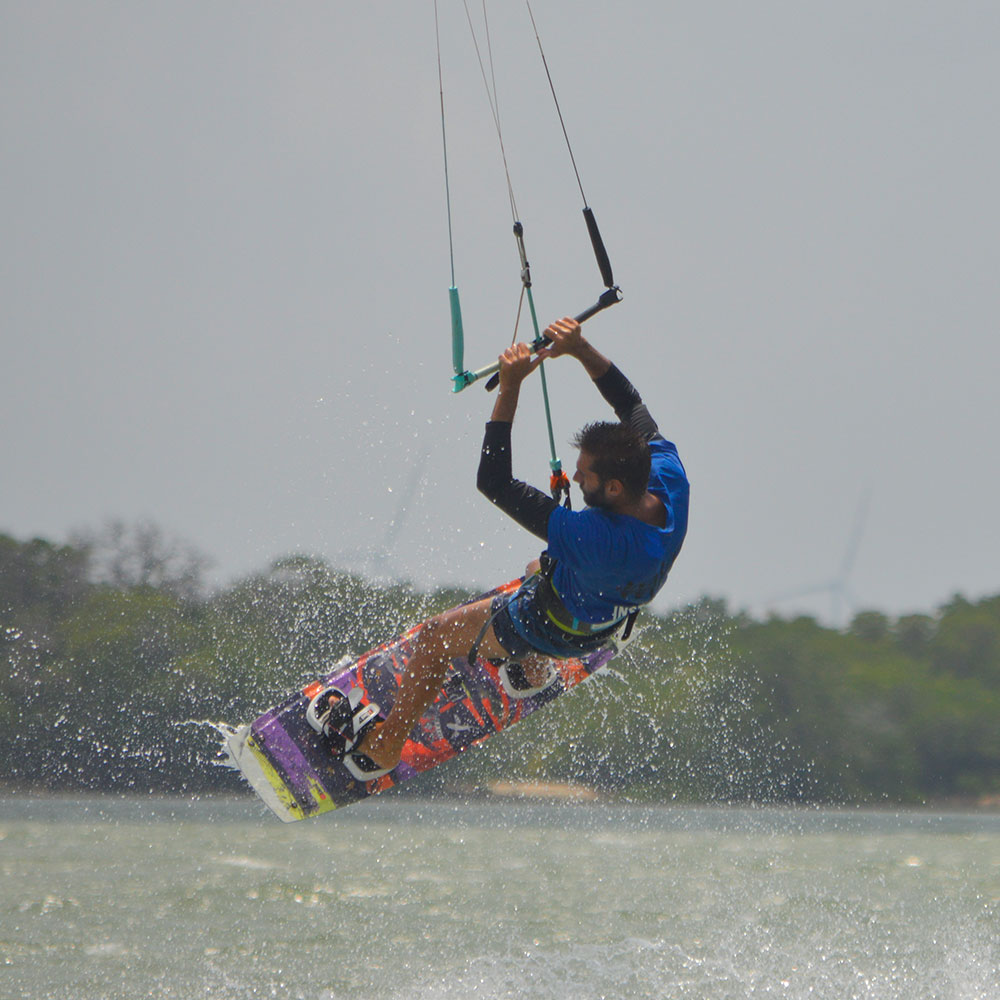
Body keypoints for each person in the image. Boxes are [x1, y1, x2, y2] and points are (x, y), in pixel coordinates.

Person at [316, 316, 689, 779]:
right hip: (611, 619)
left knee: (433, 639)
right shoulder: (669, 478)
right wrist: (579, 347)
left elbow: (493, 482)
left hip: (550, 624)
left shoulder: (594, 537)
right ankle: (533, 674)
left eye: (585, 476)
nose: (575, 478)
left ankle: (387, 746)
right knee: (539, 563)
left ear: (613, 487)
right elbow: (631, 406)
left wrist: (508, 387)